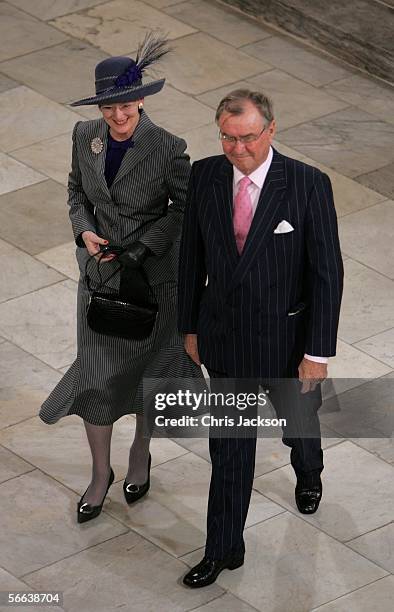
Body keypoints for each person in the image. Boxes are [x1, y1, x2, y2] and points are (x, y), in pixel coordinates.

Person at [177, 89, 343, 587]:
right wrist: (189, 326)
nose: (237, 148)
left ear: (271, 129)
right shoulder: (204, 175)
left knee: (300, 427)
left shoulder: (308, 184)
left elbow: (327, 274)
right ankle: (224, 549)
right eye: (227, 137)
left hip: (287, 343)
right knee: (229, 450)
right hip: (225, 340)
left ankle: (309, 470)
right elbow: (192, 259)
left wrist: (316, 352)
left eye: (247, 137)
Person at [39, 34, 202, 523]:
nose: (118, 115)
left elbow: (185, 208)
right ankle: (98, 473)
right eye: (109, 106)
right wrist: (84, 231)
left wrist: (140, 247)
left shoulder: (169, 149)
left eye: (126, 104)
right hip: (100, 278)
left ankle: (139, 455)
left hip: (152, 281)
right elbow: (75, 191)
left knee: (150, 377)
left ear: (141, 100)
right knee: (96, 376)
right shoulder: (82, 135)